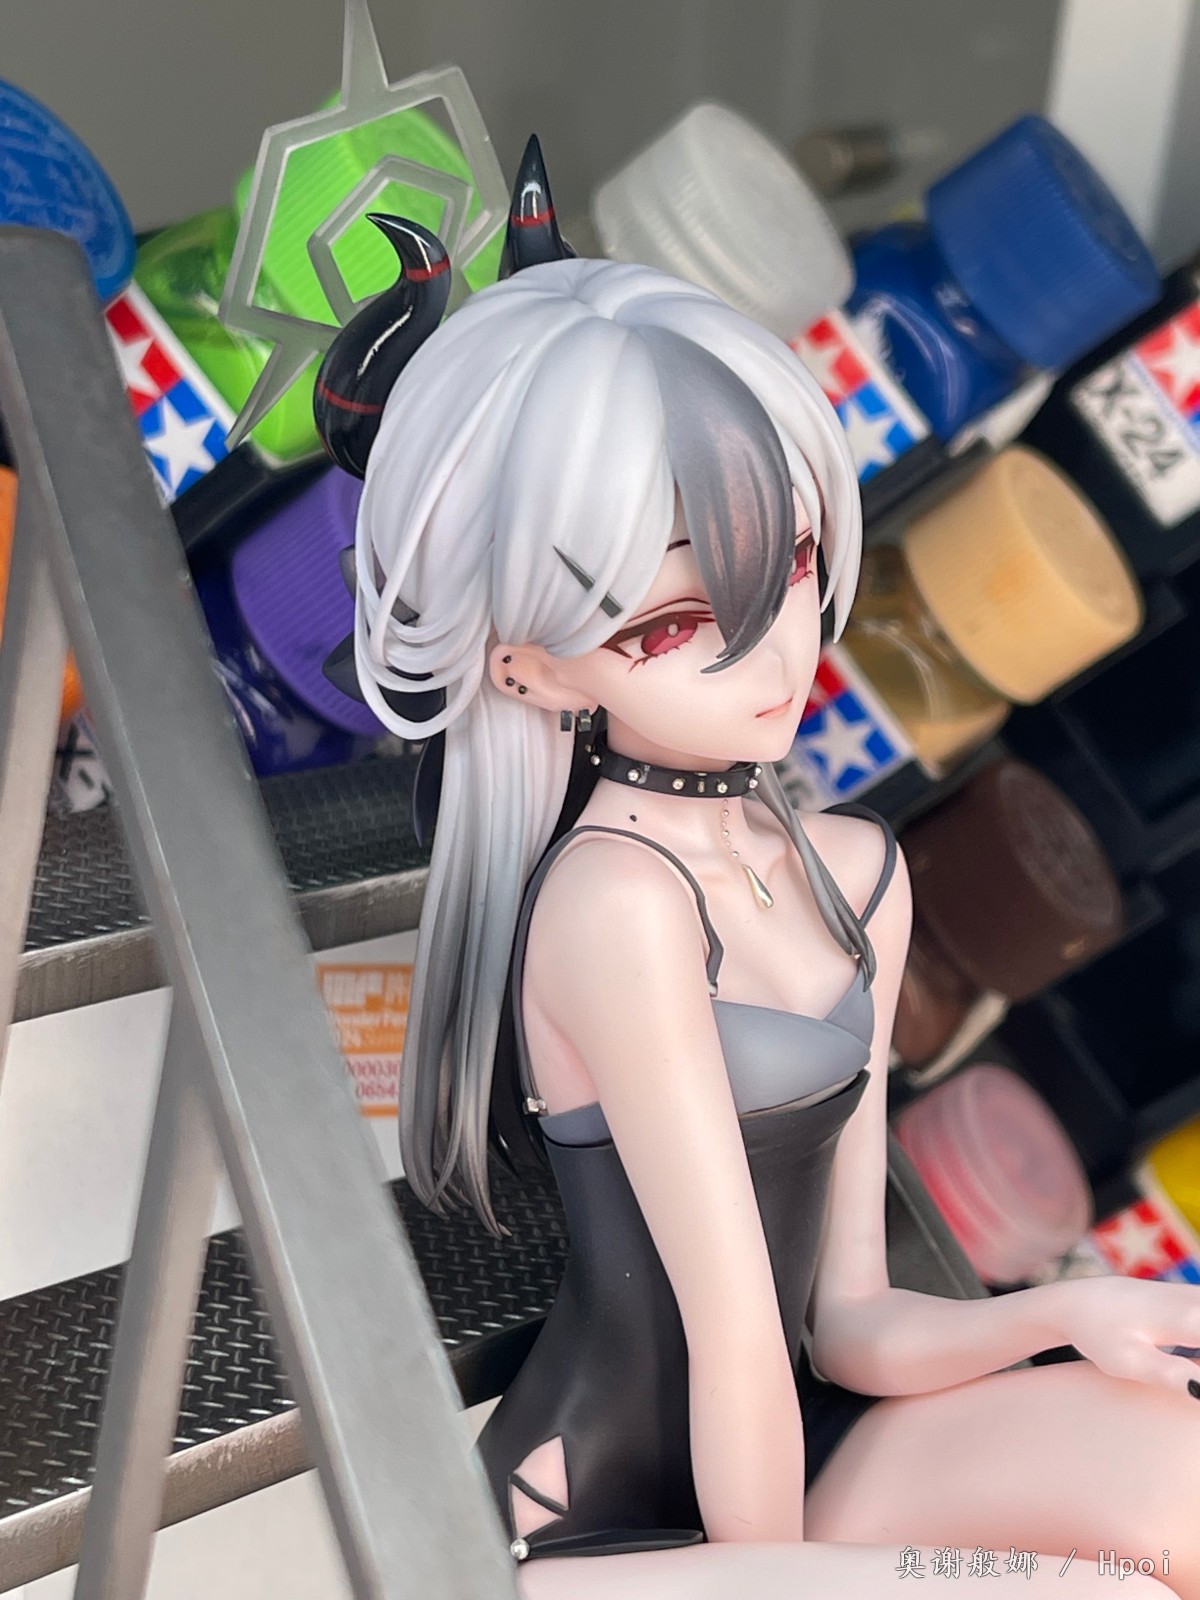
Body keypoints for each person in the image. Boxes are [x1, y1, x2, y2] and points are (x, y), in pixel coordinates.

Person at [314, 140, 1197, 1600]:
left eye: (789, 565)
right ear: (528, 668)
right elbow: (729, 1333)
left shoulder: (855, 874)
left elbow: (846, 1319)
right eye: (674, 625)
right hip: (584, 1535)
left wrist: (1067, 1318)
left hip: (790, 1461)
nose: (776, 653)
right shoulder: (613, 906)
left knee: (1184, 1480)